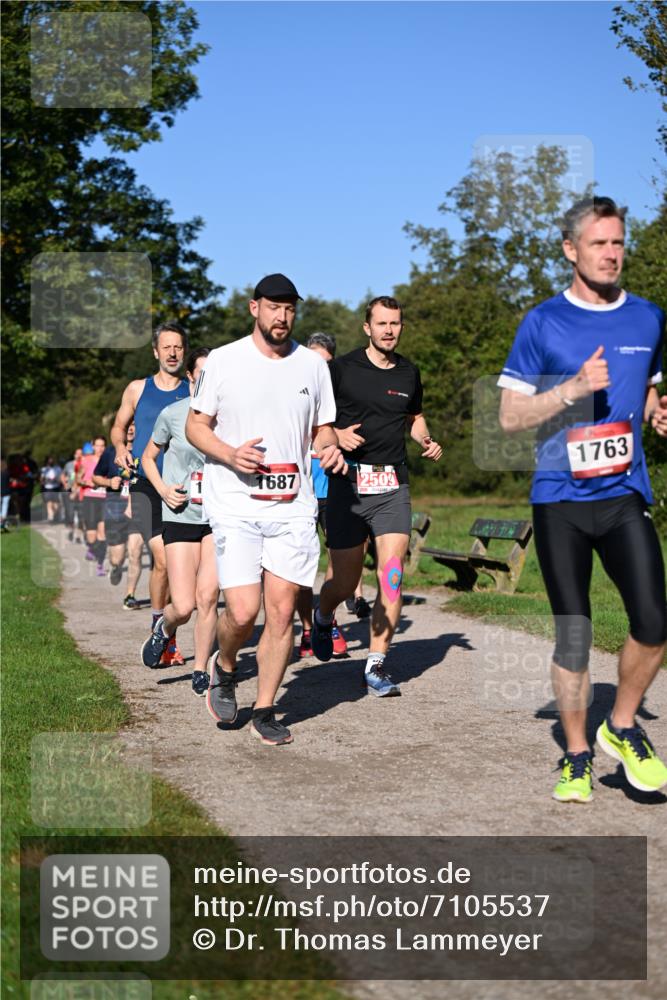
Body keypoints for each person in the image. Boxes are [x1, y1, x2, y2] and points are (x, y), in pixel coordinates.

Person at [498, 195, 667, 801]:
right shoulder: (543, 322)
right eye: (599, 243)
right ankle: (575, 755)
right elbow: (511, 417)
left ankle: (620, 726)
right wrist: (571, 389)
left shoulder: (648, 318)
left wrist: (655, 412)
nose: (612, 253)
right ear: (571, 250)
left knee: (654, 621)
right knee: (574, 633)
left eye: (618, 242)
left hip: (623, 493)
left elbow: (643, 390)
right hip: (560, 498)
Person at [186, 274, 345, 745]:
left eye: (290, 308)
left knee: (279, 613)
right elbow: (197, 426)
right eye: (274, 307)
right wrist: (229, 453)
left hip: (293, 505)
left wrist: (329, 448)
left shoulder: (312, 367)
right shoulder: (224, 360)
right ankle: (228, 666)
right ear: (254, 308)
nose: (282, 316)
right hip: (235, 502)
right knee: (241, 611)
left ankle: (266, 708)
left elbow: (323, 430)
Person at [310, 296, 442, 696]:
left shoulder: (408, 373)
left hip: (392, 486)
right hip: (348, 486)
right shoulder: (341, 370)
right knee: (345, 580)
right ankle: (323, 613)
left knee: (392, 573)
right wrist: (336, 437)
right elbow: (316, 420)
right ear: (367, 327)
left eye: (395, 323)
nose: (389, 330)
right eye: (382, 323)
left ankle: (376, 663)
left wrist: (425, 439)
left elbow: (414, 416)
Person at [140, 348, 219, 697]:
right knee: (184, 605)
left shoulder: (230, 416)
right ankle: (164, 628)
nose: (205, 381)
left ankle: (201, 668)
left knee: (209, 598)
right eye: (199, 374)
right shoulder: (172, 414)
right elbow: (148, 457)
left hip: (218, 516)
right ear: (189, 377)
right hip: (182, 513)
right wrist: (162, 489)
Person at [111, 322, 190, 662]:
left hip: (181, 485)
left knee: (178, 565)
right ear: (156, 352)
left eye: (178, 347)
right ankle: (161, 629)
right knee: (162, 559)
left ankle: (164, 631)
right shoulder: (136, 389)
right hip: (144, 483)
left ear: (184, 351)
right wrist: (118, 448)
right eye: (166, 347)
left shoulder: (194, 391)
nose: (172, 353)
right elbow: (118, 427)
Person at [296, 332, 369, 659]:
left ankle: (329, 620)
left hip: (335, 489)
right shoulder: (292, 394)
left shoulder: (344, 398)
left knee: (336, 562)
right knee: (298, 567)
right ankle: (307, 628)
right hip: (298, 493)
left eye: (325, 364)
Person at [92, 430, 144, 603]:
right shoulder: (110, 452)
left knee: (135, 552)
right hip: (115, 508)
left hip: (138, 506)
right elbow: (95, 477)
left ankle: (130, 595)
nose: (130, 429)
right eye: (127, 425)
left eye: (134, 425)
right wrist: (109, 482)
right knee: (117, 558)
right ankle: (115, 567)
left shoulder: (145, 448)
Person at [77, 437, 107, 576]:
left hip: (105, 499)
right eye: (97, 446)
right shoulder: (86, 461)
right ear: (93, 446)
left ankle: (100, 565)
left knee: (103, 533)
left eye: (102, 446)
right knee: (92, 535)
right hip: (90, 499)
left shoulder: (110, 460)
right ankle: (91, 548)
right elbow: (77, 478)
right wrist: (88, 482)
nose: (100, 449)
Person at [40, 456, 63, 523]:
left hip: (56, 487)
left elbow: (61, 478)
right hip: (48, 487)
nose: (50, 462)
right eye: (49, 460)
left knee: (56, 504)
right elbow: (41, 479)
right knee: (49, 503)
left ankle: (55, 515)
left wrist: (57, 480)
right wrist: (45, 480)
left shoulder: (58, 469)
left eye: (52, 460)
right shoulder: (44, 469)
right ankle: (50, 517)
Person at [1, 458, 10, 532]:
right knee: (4, 509)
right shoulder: (7, 473)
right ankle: (5, 524)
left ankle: (2, 523)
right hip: (7, 492)